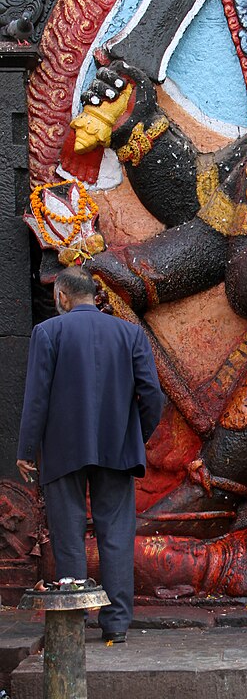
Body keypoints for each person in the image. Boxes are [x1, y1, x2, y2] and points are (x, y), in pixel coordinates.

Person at [16, 266, 163, 642]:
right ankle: (115, 626)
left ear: (62, 296)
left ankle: (74, 620)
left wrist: (27, 449)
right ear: (94, 296)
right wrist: (136, 435)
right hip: (117, 447)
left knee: (68, 535)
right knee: (115, 534)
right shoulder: (130, 333)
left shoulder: (48, 332)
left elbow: (37, 398)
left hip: (63, 448)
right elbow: (152, 396)